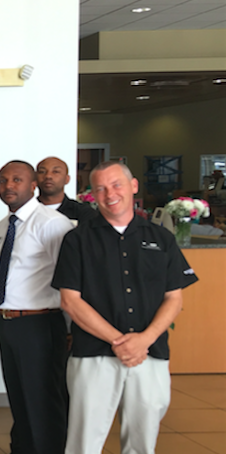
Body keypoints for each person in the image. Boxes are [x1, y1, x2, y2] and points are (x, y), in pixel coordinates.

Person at [52, 161, 198, 454]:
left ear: (133, 187)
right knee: (84, 442)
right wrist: (119, 342)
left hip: (149, 355)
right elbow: (70, 300)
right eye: (100, 189)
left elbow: (174, 298)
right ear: (92, 195)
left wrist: (143, 340)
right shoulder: (77, 240)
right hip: (93, 355)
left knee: (143, 442)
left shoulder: (162, 238)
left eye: (116, 184)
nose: (110, 194)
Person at [0, 161, 73, 454]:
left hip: (40, 324)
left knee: (44, 404)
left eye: (17, 180)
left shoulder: (52, 224)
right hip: (9, 323)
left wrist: (70, 328)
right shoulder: (3, 226)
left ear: (33, 185)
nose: (8, 186)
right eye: (3, 180)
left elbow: (69, 280)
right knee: (20, 400)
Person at [36, 156, 97, 222]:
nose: (48, 176)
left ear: (67, 179)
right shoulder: (27, 211)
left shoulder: (84, 212)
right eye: (42, 171)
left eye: (56, 171)